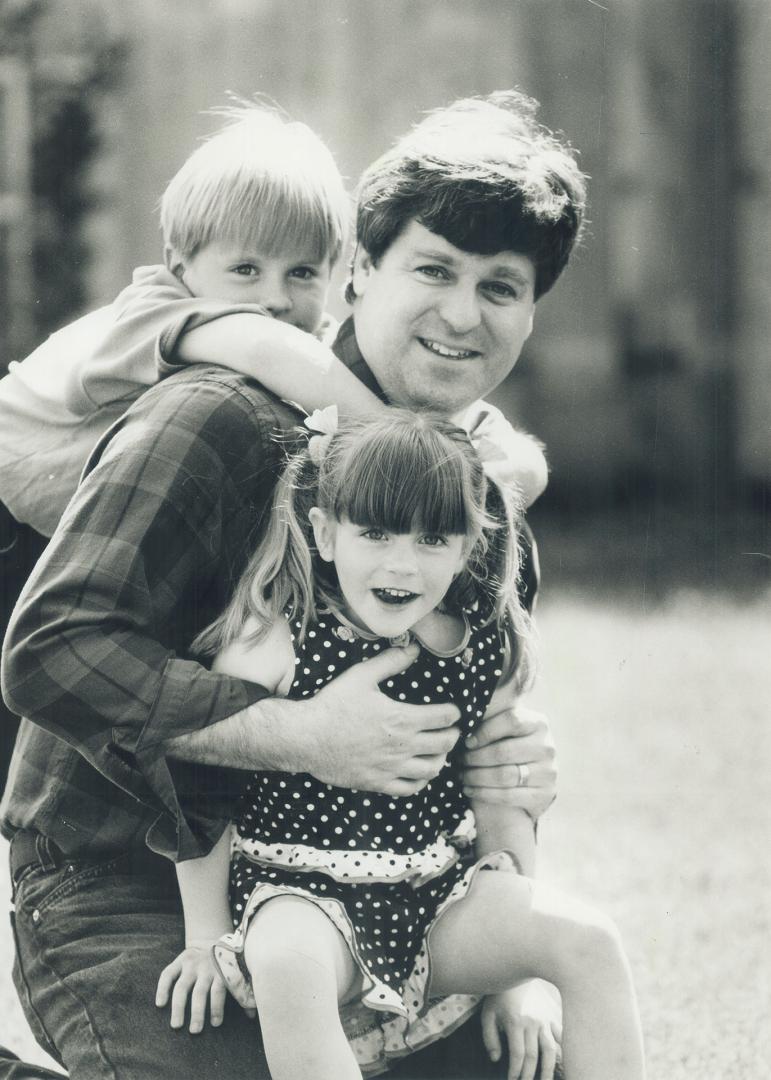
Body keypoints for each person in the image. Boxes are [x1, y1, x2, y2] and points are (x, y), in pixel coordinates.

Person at [1, 88, 580, 1080]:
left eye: (501, 286)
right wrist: (299, 734)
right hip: (135, 884)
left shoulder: (476, 508)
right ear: (359, 277)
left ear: (529, 315)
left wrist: (515, 943)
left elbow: (481, 748)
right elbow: (52, 652)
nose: (460, 313)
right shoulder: (218, 414)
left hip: (382, 897)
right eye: (433, 270)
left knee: (538, 1060)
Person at [0, 98, 548, 793]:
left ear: (334, 274)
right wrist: (402, 452)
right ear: (180, 261)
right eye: (246, 270)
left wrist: (503, 477)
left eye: (300, 274)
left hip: (65, 531)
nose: (272, 297)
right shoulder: (170, 317)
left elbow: (496, 442)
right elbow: (266, 343)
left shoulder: (299, 362)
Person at [156, 409, 645, 1080]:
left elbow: (501, 791)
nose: (401, 564)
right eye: (376, 533)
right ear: (325, 533)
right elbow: (201, 780)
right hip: (298, 893)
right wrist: (205, 936)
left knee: (589, 940)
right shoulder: (276, 639)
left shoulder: (478, 647)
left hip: (436, 890)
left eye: (432, 540)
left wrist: (512, 983)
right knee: (286, 963)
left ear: (471, 545)